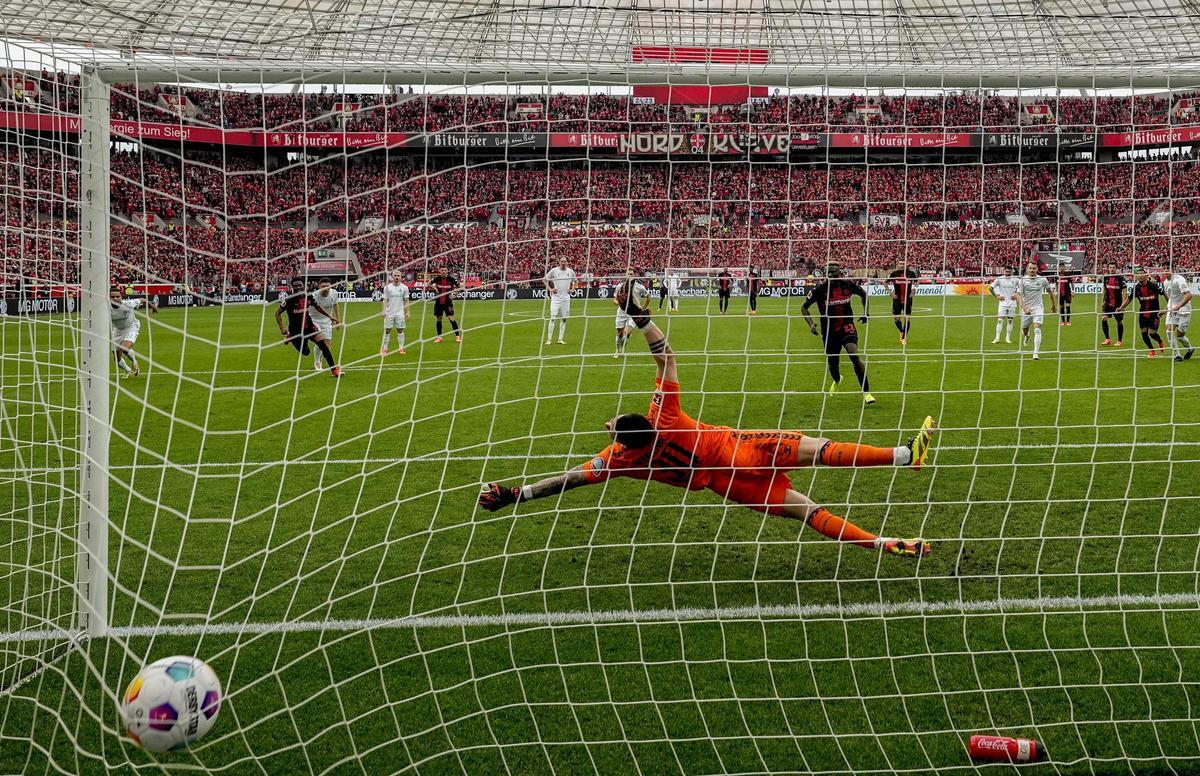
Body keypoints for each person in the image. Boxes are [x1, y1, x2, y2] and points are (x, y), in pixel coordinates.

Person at [478, 299, 934, 558]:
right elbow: (667, 356)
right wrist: (639, 314)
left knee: (806, 511)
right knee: (818, 449)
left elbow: (570, 481)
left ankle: (882, 542)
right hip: (738, 449)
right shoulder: (665, 417)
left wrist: (520, 494)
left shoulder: (620, 461)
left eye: (612, 426)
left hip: (723, 484)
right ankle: (902, 455)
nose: (609, 427)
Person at [801, 266, 874, 404]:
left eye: (835, 275)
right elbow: (804, 308)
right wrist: (810, 324)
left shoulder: (847, 285)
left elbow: (864, 294)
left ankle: (867, 392)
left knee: (854, 355)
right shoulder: (819, 290)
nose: (834, 278)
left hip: (847, 326)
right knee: (833, 365)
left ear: (840, 274)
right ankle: (837, 379)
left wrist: (866, 313)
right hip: (829, 331)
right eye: (831, 276)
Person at [275, 278, 340, 377]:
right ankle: (290, 336)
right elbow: (277, 313)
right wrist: (282, 328)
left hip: (309, 327)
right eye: (295, 286)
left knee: (323, 346)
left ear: (303, 286)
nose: (298, 287)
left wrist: (330, 316)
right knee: (306, 352)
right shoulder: (289, 300)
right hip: (296, 331)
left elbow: (317, 307)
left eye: (300, 285)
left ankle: (334, 370)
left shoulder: (308, 297)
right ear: (292, 287)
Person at [109, 287, 157, 379]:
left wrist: (153, 306)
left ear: (121, 297)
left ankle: (134, 362)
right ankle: (127, 370)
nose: (115, 298)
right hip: (117, 331)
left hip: (131, 327)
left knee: (125, 347)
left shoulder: (128, 304)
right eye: (112, 297)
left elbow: (142, 299)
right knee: (116, 358)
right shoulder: (105, 308)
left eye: (117, 296)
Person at [1015, 261, 1057, 361]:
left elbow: (1050, 292)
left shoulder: (1042, 280)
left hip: (1038, 307)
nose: (1032, 270)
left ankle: (1035, 353)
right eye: (1030, 268)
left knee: (1037, 329)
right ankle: (1027, 336)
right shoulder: (1023, 280)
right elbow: (1017, 295)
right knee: (1024, 329)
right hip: (1026, 308)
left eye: (1034, 268)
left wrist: (1053, 305)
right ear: (1027, 269)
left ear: (1037, 269)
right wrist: (1024, 307)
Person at [1120, 267, 1165, 358]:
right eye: (1138, 275)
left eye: (1142, 274)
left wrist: (1169, 306)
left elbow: (1164, 293)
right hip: (1143, 313)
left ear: (1146, 276)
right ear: (1136, 277)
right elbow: (1129, 299)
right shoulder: (1136, 288)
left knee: (1152, 333)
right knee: (1144, 334)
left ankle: (1160, 340)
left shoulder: (1153, 285)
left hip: (1154, 313)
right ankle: (1151, 350)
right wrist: (1120, 307)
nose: (1140, 276)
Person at [613, 269, 648, 357]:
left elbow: (648, 297)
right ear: (625, 275)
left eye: (631, 274)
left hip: (633, 313)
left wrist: (643, 308)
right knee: (620, 334)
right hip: (621, 312)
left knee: (627, 333)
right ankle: (618, 350)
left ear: (634, 275)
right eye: (628, 274)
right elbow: (614, 299)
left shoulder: (640, 287)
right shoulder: (620, 287)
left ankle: (623, 350)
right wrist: (620, 302)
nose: (630, 275)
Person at [1163, 269, 1195, 361]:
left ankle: (1190, 349)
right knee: (1169, 331)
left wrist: (1178, 306)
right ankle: (1177, 355)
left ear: (1172, 270)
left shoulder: (1179, 279)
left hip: (1184, 310)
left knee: (1180, 336)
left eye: (1167, 268)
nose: (1165, 270)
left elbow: (1189, 295)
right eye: (1164, 268)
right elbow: (1171, 299)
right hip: (1173, 310)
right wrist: (1165, 310)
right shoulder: (1165, 282)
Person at [544, 259, 576, 345]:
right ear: (559, 262)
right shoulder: (554, 271)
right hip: (556, 298)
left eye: (565, 261)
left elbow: (575, 281)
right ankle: (549, 339)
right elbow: (544, 279)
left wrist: (572, 289)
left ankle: (560, 339)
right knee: (553, 318)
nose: (563, 263)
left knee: (564, 319)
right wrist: (550, 289)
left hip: (566, 298)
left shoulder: (571, 272)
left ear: (567, 262)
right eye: (562, 261)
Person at [311, 277, 341, 370]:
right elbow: (318, 308)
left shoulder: (334, 293)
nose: (325, 288)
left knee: (327, 344)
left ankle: (320, 358)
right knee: (320, 341)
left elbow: (336, 305)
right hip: (314, 319)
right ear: (319, 286)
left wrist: (338, 320)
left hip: (327, 321)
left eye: (327, 286)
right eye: (323, 286)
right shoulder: (314, 295)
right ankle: (317, 363)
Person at [428, 267, 462, 343]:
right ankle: (439, 337)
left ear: (447, 271)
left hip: (448, 302)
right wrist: (435, 289)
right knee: (439, 319)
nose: (443, 272)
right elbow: (429, 283)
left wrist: (455, 295)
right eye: (442, 270)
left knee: (451, 318)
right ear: (440, 271)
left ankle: (457, 336)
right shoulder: (437, 278)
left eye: (445, 270)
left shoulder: (451, 279)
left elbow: (460, 286)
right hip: (439, 302)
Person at [381, 270, 410, 355]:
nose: (397, 277)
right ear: (392, 277)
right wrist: (383, 311)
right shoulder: (387, 288)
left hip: (400, 313)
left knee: (400, 330)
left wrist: (407, 312)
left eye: (398, 276)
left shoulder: (405, 288)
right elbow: (385, 300)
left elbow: (406, 300)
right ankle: (385, 348)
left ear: (401, 277)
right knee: (387, 330)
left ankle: (401, 348)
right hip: (389, 313)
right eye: (395, 276)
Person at [1099, 263, 1129, 346]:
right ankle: (1107, 339)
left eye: (1113, 267)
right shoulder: (1106, 278)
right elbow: (1104, 290)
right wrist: (1102, 302)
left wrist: (1123, 305)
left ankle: (1119, 340)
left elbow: (1125, 291)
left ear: (1116, 269)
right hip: (1108, 303)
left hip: (1118, 304)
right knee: (1104, 318)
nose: (1112, 269)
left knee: (1119, 321)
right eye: (1110, 267)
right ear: (1108, 268)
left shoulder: (1120, 278)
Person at [888, 264, 918, 345]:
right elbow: (885, 282)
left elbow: (917, 281)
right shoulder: (894, 274)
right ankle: (901, 331)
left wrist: (914, 289)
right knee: (897, 319)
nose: (902, 265)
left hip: (908, 299)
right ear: (898, 265)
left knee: (907, 319)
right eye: (900, 264)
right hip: (897, 300)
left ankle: (904, 338)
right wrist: (890, 293)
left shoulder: (911, 273)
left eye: (903, 264)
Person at [990, 268, 1020, 344]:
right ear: (1004, 271)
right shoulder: (999, 279)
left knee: (1010, 321)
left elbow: (1022, 286)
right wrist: (997, 296)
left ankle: (1007, 338)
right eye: (1006, 271)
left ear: (1011, 272)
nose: (1008, 272)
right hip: (1002, 303)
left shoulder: (1016, 279)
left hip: (1012, 303)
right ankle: (997, 338)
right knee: (1000, 320)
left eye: (1009, 271)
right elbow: (990, 288)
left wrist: (1016, 294)